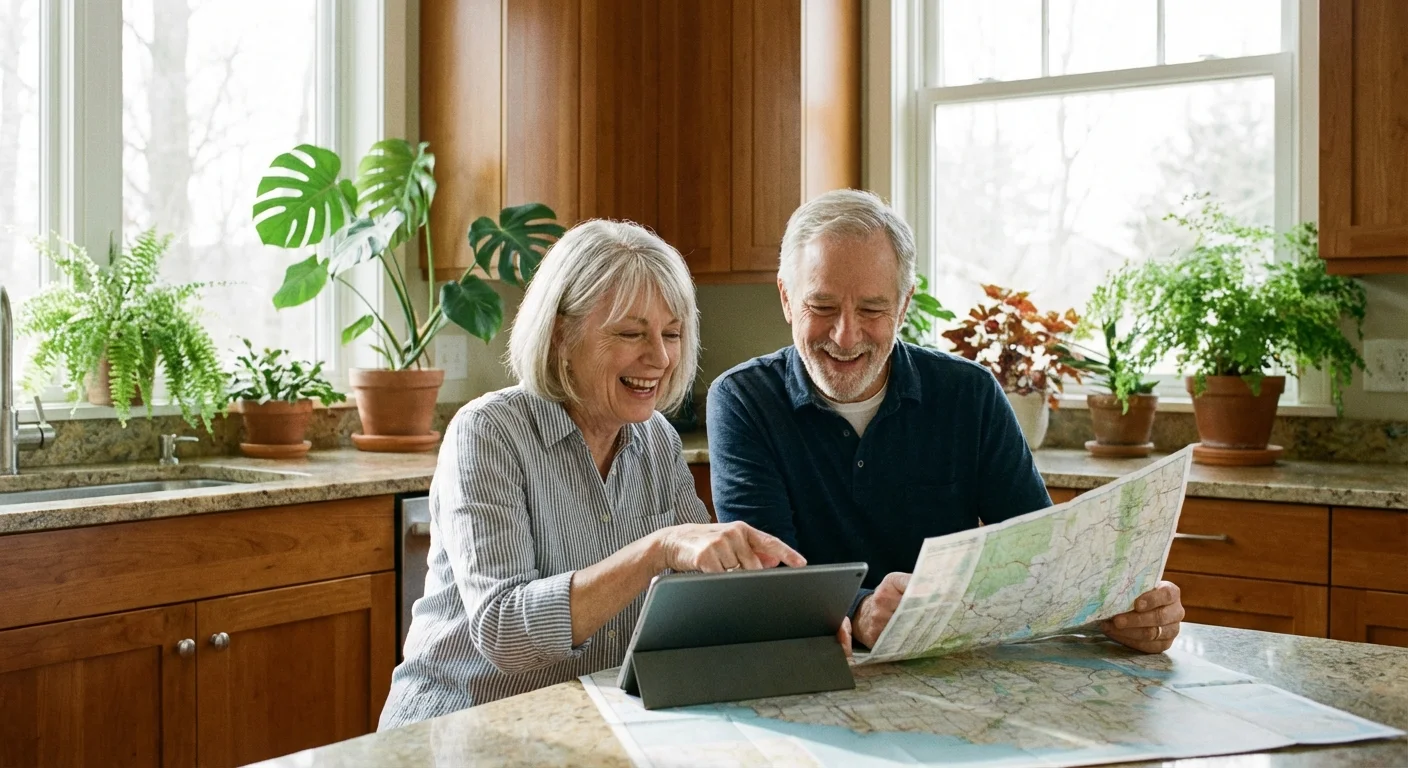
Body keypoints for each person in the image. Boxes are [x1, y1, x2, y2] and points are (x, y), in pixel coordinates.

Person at [706, 189, 1184, 655]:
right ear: (788, 299)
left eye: (872, 309)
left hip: (955, 670)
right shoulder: (742, 400)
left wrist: (1123, 610)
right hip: (815, 673)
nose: (845, 334)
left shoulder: (969, 394)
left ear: (905, 305)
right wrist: (862, 609)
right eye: (822, 306)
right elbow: (766, 579)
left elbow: (1041, 557)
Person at [379, 220, 806, 730]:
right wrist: (658, 550)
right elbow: (502, 631)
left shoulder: (658, 442)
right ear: (562, 334)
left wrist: (798, 619)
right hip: (459, 729)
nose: (661, 357)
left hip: (584, 725)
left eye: (671, 333)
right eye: (631, 333)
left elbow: (696, 599)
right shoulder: (488, 432)